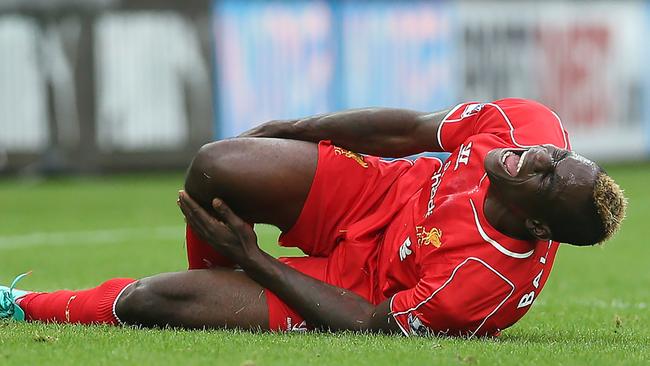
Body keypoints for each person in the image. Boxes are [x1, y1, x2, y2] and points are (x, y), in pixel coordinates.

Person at [1, 98, 626, 337]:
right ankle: (216, 278)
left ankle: (19, 305)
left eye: (547, 176)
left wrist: (257, 263)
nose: (538, 156)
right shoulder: (528, 126)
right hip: (379, 191)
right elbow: (407, 131)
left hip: (356, 287)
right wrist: (291, 128)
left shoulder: (482, 289)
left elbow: (375, 321)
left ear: (541, 228)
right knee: (216, 165)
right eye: (559, 155)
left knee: (148, 302)